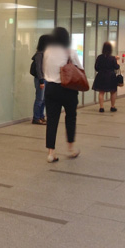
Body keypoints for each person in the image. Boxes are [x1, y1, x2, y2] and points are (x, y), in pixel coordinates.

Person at [42, 27, 82, 163]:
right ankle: (70, 149)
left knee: (52, 120)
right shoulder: (70, 52)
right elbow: (80, 68)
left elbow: (45, 70)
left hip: (51, 88)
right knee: (70, 117)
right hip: (68, 89)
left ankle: (51, 153)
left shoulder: (47, 51)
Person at [92, 42, 120, 113]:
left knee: (101, 92)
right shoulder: (112, 58)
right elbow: (117, 67)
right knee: (113, 92)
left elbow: (96, 68)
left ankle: (101, 107)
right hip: (111, 76)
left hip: (101, 76)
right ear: (110, 49)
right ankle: (112, 107)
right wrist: (117, 60)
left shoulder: (99, 57)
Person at [31, 35, 50, 125]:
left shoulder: (45, 53)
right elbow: (38, 68)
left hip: (46, 79)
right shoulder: (39, 54)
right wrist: (41, 81)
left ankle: (41, 116)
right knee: (39, 99)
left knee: (44, 100)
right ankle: (36, 118)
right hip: (40, 79)